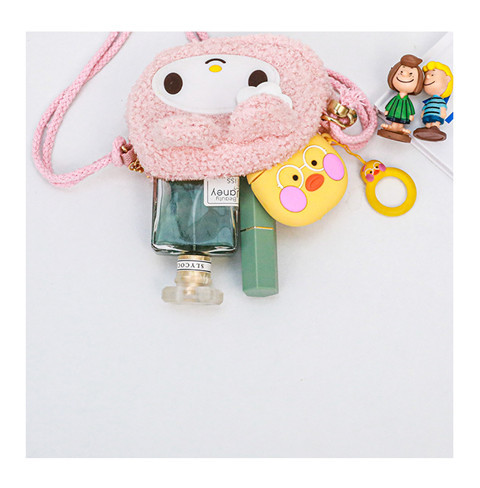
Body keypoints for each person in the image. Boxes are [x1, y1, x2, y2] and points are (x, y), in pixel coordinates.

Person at [377, 54, 423, 143]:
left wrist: (411, 114)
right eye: (401, 72)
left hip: (403, 115)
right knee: (394, 120)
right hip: (394, 113)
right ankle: (392, 127)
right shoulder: (396, 98)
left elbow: (410, 107)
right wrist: (387, 110)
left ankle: (400, 128)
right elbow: (391, 103)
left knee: (401, 121)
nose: (404, 74)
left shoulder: (407, 101)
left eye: (411, 74)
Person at [413, 61, 453, 142]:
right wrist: (423, 114)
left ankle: (435, 130)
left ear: (447, 79)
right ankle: (427, 129)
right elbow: (425, 107)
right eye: (426, 76)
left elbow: (442, 108)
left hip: (436, 116)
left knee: (434, 123)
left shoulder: (440, 101)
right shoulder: (429, 101)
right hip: (427, 116)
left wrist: (442, 114)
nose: (427, 77)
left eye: (432, 75)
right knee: (428, 124)